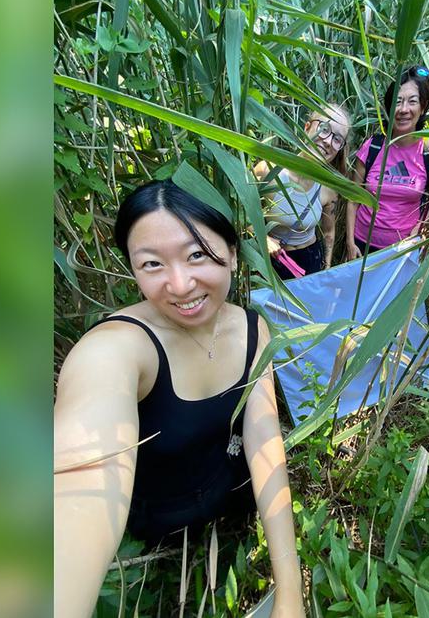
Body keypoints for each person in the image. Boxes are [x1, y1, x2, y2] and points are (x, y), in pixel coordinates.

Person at [54, 180, 305, 618]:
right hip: (158, 529)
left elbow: (263, 440)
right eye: (152, 264)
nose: (179, 284)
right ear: (132, 269)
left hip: (229, 504)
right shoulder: (116, 349)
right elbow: (80, 488)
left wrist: (290, 592)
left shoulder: (252, 329)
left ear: (231, 249)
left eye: (196, 255)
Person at [345, 66, 429, 259]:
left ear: (423, 107)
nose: (403, 110)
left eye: (412, 102)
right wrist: (350, 243)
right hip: (361, 245)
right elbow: (352, 199)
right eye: (397, 102)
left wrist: (420, 228)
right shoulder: (373, 146)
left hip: (402, 249)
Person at [256, 104, 351, 279]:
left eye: (337, 139)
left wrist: (326, 270)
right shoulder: (268, 171)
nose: (328, 141)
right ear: (307, 127)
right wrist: (263, 239)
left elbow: (329, 233)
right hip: (271, 261)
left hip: (310, 260)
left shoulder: (328, 188)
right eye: (324, 129)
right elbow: (242, 217)